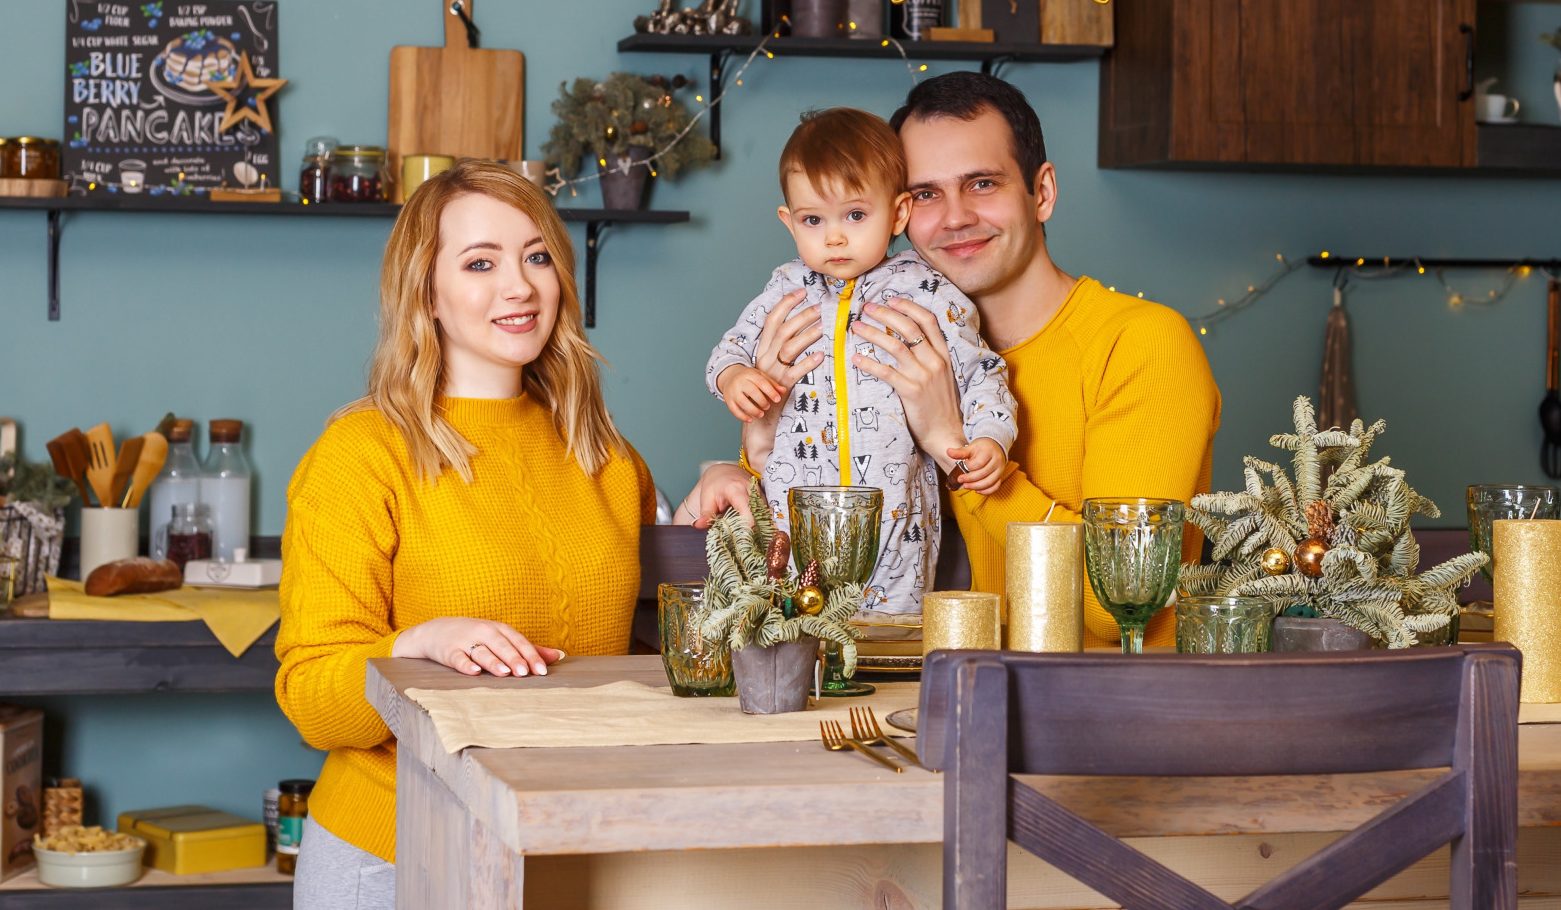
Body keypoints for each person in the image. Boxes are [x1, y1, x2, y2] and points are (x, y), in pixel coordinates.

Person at [687, 73, 1219, 646]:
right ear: (899, 212)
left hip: (1093, 711)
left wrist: (953, 446)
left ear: (1041, 192)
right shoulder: (885, 333)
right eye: (925, 194)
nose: (955, 217)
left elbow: (1117, 610)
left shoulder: (1143, 343)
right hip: (921, 690)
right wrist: (743, 459)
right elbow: (830, 474)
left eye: (983, 183)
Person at [275, 161, 654, 908]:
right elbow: (310, 699)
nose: (519, 286)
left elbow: (667, 641)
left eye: (536, 256)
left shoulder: (601, 452)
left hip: (567, 840)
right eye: (481, 263)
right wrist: (412, 647)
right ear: (427, 292)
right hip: (393, 853)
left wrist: (748, 470)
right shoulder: (362, 453)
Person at [703, 107, 1017, 614]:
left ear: (897, 214)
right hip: (790, 513)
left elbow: (981, 370)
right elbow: (729, 349)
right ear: (788, 222)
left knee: (889, 639)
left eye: (855, 215)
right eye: (813, 219)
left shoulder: (928, 291)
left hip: (897, 518)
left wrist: (989, 439)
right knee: (792, 629)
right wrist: (735, 376)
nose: (834, 237)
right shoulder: (785, 289)